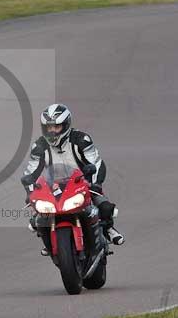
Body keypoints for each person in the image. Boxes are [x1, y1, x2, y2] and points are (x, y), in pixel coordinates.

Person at [21, 104, 125, 256]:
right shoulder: (39, 146)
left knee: (105, 208)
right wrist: (30, 190)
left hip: (83, 184)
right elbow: (31, 171)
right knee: (36, 221)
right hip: (54, 187)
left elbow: (96, 163)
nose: (52, 131)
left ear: (66, 125)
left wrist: (95, 184)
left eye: (56, 127)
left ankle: (107, 229)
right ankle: (50, 242)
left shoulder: (81, 140)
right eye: (48, 127)